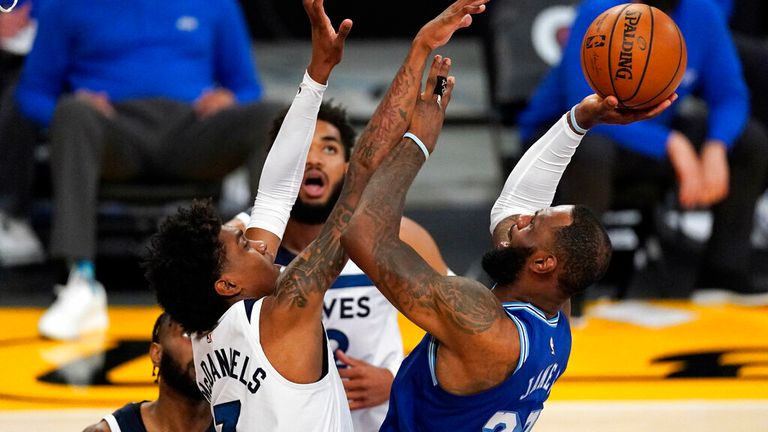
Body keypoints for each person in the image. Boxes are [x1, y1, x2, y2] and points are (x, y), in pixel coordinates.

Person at [144, 0, 488, 429]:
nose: (253, 236)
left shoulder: (208, 332)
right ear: (227, 283)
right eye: (242, 243)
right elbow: (360, 177)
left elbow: (272, 195)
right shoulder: (283, 312)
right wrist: (418, 131)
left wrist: (317, 74)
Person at [341, 58, 675, 429]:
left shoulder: (479, 322)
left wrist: (418, 139)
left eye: (533, 224)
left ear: (543, 263)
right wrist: (579, 121)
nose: (522, 218)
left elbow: (362, 235)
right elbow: (515, 206)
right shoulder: (555, 320)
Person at [13, 0, 279, 340]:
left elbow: (247, 86)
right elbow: (32, 93)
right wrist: (76, 106)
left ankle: (267, 267)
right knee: (72, 112)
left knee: (268, 115)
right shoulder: (64, 5)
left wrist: (233, 100)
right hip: (114, 133)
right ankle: (79, 279)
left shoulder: (216, 4)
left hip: (193, 131)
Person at [518, 0, 768, 308]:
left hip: (647, 130)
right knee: (592, 149)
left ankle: (722, 274)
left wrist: (717, 145)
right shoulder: (600, 12)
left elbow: (730, 95)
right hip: (566, 130)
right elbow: (585, 106)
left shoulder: (702, 13)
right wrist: (672, 144)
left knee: (748, 141)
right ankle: (569, 287)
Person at [228, 101, 450, 430]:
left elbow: (463, 333)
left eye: (328, 148)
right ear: (276, 164)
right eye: (302, 148)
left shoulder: (397, 236)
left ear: (347, 165)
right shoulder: (237, 245)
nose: (314, 158)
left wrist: (399, 380)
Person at [82, 313, 214, 432]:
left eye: (210, 334)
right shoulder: (110, 430)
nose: (202, 345)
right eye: (188, 334)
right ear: (157, 354)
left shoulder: (233, 422)